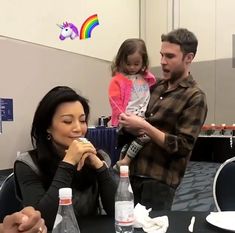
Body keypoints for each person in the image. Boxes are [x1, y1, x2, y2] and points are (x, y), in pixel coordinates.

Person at [118, 28, 208, 210]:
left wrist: (144, 127)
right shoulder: (154, 86)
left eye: (170, 56)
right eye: (161, 55)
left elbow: (182, 147)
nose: (162, 62)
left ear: (188, 58)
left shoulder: (195, 97)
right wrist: (127, 123)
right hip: (129, 174)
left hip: (158, 182)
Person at [14, 86, 117, 231]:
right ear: (48, 127)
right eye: (68, 121)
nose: (78, 129)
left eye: (82, 120)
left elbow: (119, 210)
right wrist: (68, 163)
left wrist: (100, 167)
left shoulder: (99, 157)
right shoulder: (28, 163)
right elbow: (44, 222)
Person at [108, 38, 156, 170]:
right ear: (121, 61)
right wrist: (122, 118)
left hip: (142, 118)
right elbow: (114, 101)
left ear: (143, 62)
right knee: (148, 136)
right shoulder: (118, 79)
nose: (132, 68)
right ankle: (125, 160)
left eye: (136, 64)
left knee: (138, 139)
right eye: (128, 63)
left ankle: (123, 158)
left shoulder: (145, 78)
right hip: (128, 119)